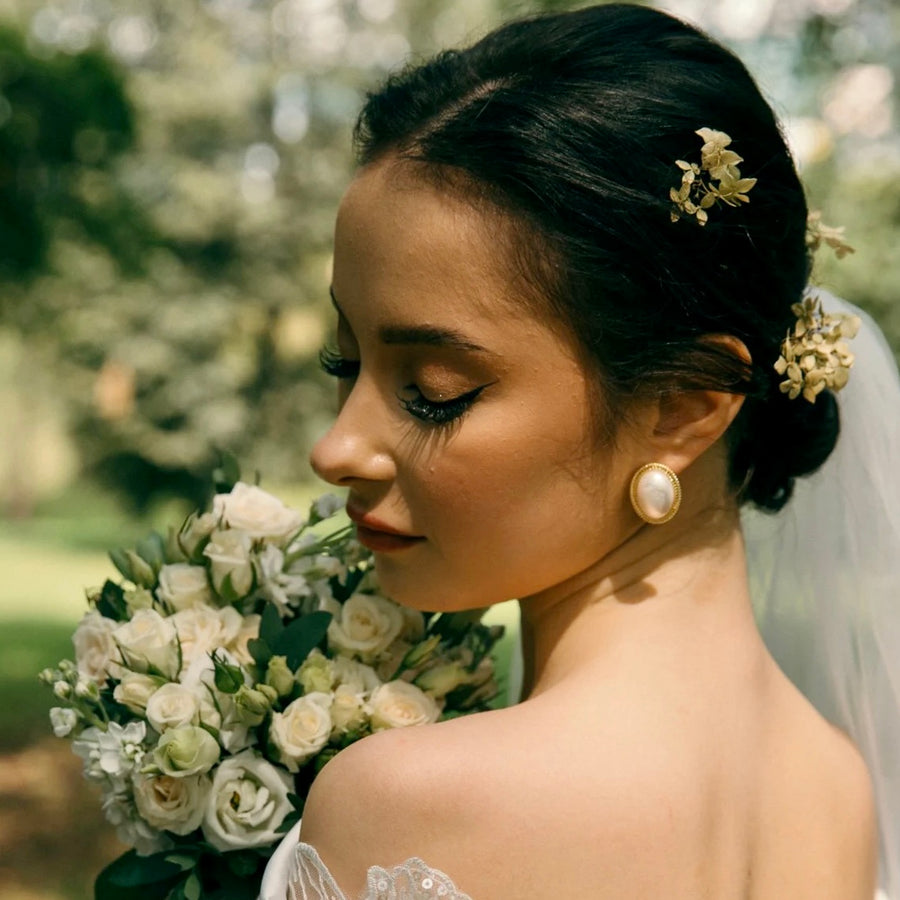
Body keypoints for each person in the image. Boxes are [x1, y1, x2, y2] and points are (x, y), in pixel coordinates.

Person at [262, 4, 900, 898]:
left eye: (433, 393)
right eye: (345, 359)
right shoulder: (838, 788)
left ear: (683, 406)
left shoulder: (407, 809)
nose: (336, 447)